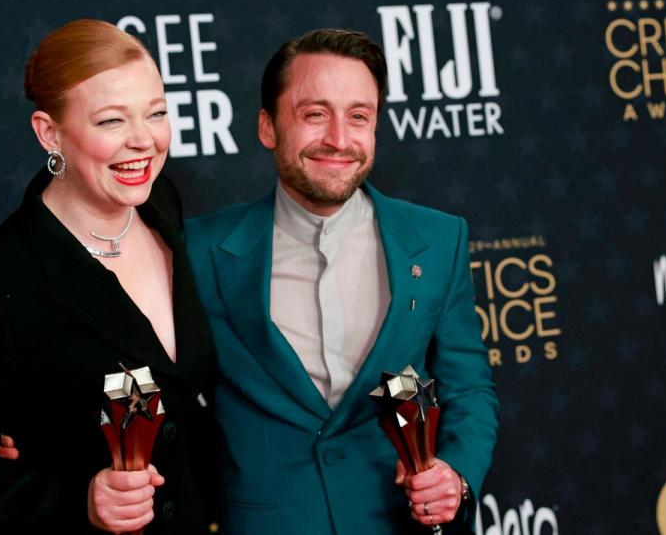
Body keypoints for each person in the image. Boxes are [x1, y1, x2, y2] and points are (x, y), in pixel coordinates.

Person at [181, 29, 499, 534]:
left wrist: (456, 474)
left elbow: (469, 387)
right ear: (268, 127)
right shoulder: (199, 249)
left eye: (358, 116)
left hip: (398, 521)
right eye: (313, 114)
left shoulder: (439, 240)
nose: (338, 138)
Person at [0, 19, 219, 534]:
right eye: (110, 122)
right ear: (49, 132)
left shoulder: (162, 205)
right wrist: (80, 500)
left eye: (156, 113)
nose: (143, 141)